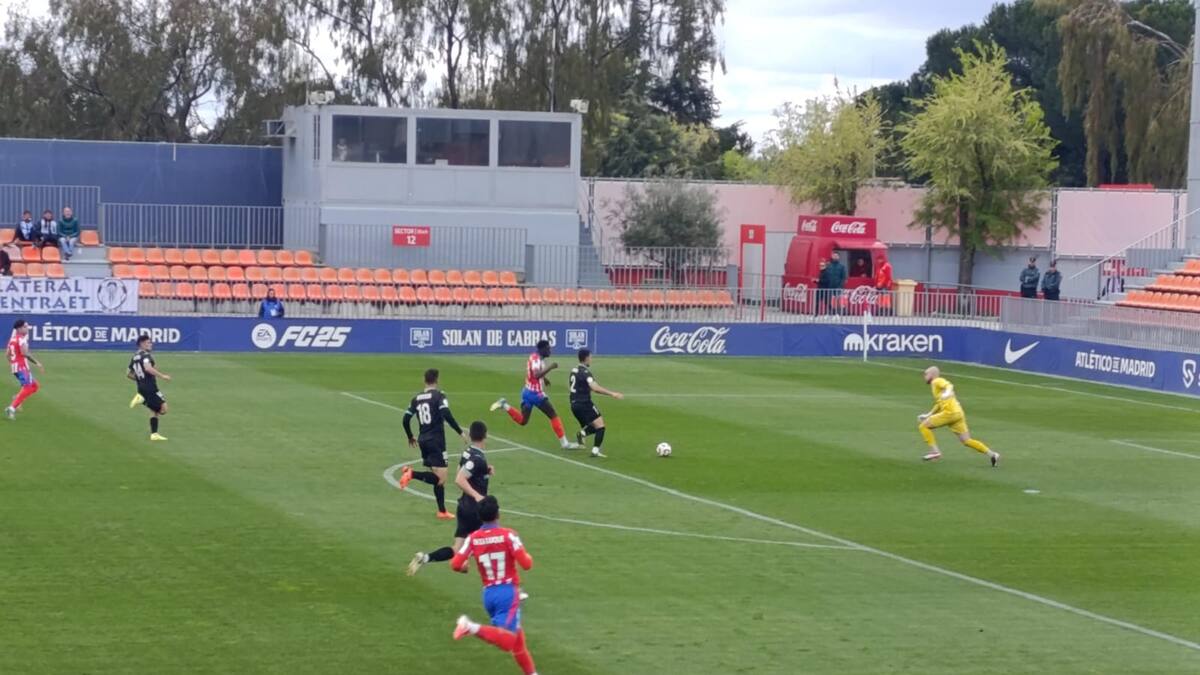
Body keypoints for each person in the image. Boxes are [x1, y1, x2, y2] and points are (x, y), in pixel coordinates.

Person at [450, 496, 539, 675]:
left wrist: (466, 565)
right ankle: (469, 626)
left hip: (489, 594)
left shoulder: (473, 538)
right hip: (508, 592)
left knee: (518, 641)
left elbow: (455, 564)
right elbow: (527, 564)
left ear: (480, 517)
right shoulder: (508, 535)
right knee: (507, 642)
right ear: (498, 513)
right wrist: (526, 556)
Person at [408, 420, 494, 576]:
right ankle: (469, 565)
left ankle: (425, 557)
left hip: (463, 507)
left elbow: (462, 469)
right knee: (490, 541)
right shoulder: (478, 458)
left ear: (471, 435)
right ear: (485, 436)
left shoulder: (468, 452)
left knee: (457, 548)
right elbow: (459, 479)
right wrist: (478, 496)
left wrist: (485, 470)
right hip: (476, 510)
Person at [399, 368, 470, 519]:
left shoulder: (416, 398)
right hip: (436, 441)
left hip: (423, 439)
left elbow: (405, 419)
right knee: (441, 479)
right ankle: (411, 473)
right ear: (437, 380)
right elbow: (446, 413)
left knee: (437, 477)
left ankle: (442, 511)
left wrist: (410, 436)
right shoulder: (439, 395)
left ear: (424, 381)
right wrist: (460, 432)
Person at [490, 340, 582, 450]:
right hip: (535, 394)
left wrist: (545, 379)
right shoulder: (536, 359)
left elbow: (535, 373)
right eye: (548, 348)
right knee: (553, 415)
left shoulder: (536, 358)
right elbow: (536, 374)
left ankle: (504, 405)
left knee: (523, 421)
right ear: (542, 349)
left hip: (527, 392)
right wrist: (550, 367)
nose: (550, 351)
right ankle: (564, 443)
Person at [917, 366, 999, 466]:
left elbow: (949, 385)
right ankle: (992, 454)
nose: (924, 376)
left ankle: (934, 451)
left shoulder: (937, 381)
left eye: (926, 374)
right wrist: (929, 414)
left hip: (950, 413)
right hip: (958, 413)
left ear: (932, 375)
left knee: (923, 426)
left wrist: (947, 392)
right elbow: (939, 403)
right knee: (966, 440)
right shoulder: (936, 387)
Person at [569, 349, 624, 458]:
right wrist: (612, 394)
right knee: (601, 426)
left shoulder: (574, 370)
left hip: (574, 405)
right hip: (584, 404)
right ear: (586, 358)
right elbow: (595, 388)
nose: (591, 359)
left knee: (593, 427)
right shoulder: (586, 373)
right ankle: (595, 451)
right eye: (590, 357)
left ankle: (583, 433)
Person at [128, 334, 172, 441]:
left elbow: (129, 374)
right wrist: (163, 376)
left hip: (142, 387)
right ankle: (141, 399)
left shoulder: (135, 356)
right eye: (148, 342)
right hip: (150, 388)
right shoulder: (146, 356)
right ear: (142, 344)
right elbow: (148, 368)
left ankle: (154, 434)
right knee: (164, 409)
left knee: (153, 410)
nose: (151, 344)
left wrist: (140, 379)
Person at [6, 319, 44, 420]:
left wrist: (13, 363)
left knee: (35, 386)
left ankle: (17, 398)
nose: (27, 329)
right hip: (22, 367)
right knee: (28, 387)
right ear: (19, 328)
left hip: (16, 367)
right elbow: (25, 353)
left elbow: (7, 354)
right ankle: (12, 407)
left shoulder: (13, 339)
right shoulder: (21, 339)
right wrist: (37, 363)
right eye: (25, 327)